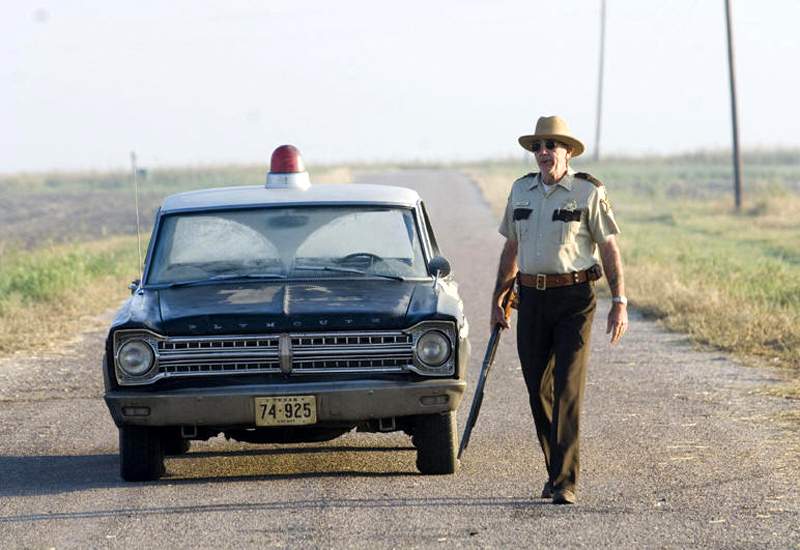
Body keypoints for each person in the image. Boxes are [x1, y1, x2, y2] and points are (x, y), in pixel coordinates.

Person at [491, 115, 628, 505]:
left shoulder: (587, 192)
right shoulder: (521, 192)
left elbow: (609, 248)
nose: (544, 153)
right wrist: (498, 299)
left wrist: (619, 301)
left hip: (575, 299)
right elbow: (510, 248)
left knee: (567, 387)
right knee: (538, 391)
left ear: (568, 152)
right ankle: (556, 471)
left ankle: (565, 481)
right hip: (530, 299)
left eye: (551, 146)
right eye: (538, 147)